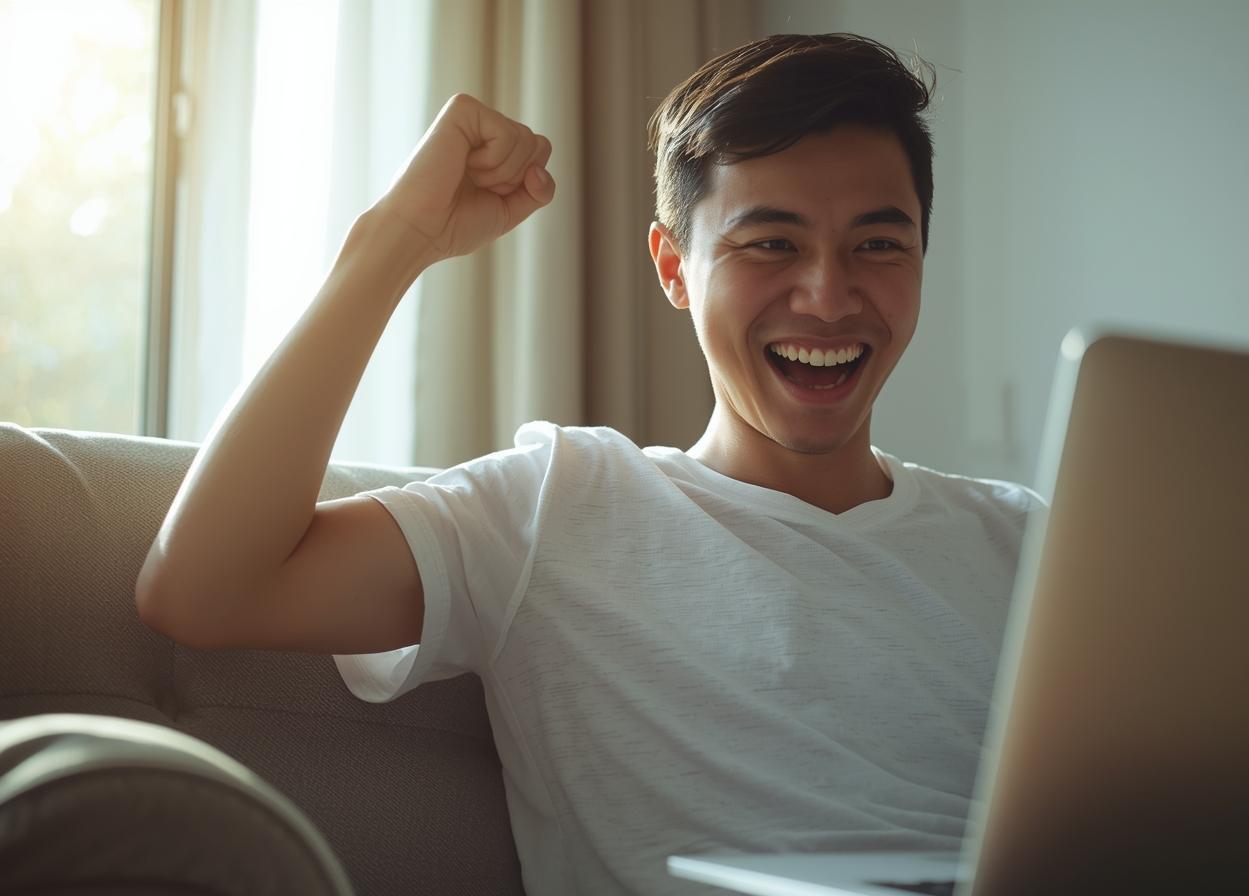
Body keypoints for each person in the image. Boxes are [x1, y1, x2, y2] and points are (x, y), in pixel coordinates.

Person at [137, 32, 1042, 895]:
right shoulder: (557, 505)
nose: (830, 296)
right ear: (674, 267)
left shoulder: (1036, 545)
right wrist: (393, 241)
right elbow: (203, 588)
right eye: (772, 243)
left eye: (878, 245)